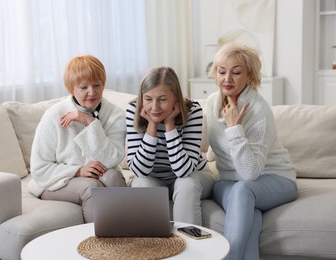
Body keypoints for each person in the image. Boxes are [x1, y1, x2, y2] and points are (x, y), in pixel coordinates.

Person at [205, 43, 297, 260]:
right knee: (250, 216)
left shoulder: (258, 111)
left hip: (274, 178)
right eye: (221, 71)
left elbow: (249, 174)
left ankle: (229, 256)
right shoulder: (211, 102)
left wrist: (235, 128)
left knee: (243, 191)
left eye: (236, 72)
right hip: (229, 181)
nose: (227, 78)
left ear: (250, 76)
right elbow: (213, 142)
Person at [28, 55, 127, 223]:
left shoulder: (115, 115)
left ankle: (132, 235)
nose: (92, 92)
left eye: (97, 85)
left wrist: (90, 122)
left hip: (96, 174)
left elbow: (112, 159)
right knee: (91, 187)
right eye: (83, 87)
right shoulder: (53, 115)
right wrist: (78, 171)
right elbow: (39, 168)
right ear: (71, 88)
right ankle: (98, 246)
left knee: (114, 177)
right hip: (52, 180)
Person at [126, 66, 215, 226]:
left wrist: (169, 125)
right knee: (140, 183)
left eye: (162, 99)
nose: (154, 107)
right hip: (154, 178)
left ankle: (189, 244)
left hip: (195, 175)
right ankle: (154, 246)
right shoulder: (134, 110)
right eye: (148, 99)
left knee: (186, 183)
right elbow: (139, 171)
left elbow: (184, 171)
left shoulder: (193, 111)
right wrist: (152, 126)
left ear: (175, 97)